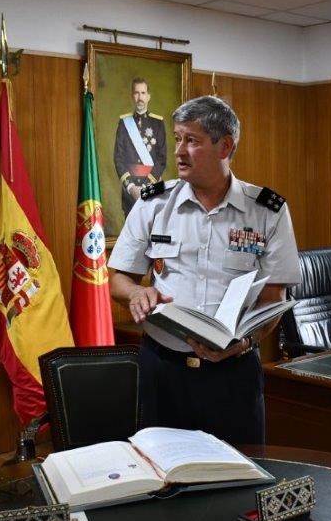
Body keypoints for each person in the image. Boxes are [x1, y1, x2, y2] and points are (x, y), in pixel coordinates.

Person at [108, 95, 300, 445]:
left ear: (225, 146)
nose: (179, 151)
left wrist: (245, 342)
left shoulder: (266, 211)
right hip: (163, 370)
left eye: (192, 141)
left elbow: (273, 299)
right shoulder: (154, 204)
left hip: (234, 372)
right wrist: (136, 292)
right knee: (160, 468)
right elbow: (118, 280)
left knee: (239, 468)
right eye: (177, 138)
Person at [114, 78, 168, 216]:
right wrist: (131, 187)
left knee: (154, 228)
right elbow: (118, 157)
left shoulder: (158, 123)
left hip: (153, 187)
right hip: (130, 192)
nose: (140, 97)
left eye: (143, 93)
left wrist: (146, 186)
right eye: (137, 93)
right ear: (132, 96)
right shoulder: (124, 123)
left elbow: (162, 158)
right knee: (131, 229)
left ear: (148, 96)